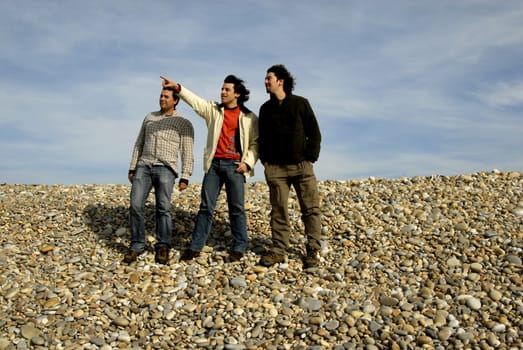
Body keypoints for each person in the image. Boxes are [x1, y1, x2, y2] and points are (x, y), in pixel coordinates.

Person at [160, 74, 259, 262]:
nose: (222, 92)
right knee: (206, 207)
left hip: (235, 166)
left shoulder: (249, 117)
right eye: (222, 88)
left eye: (226, 89)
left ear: (236, 94)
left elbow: (255, 143)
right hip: (214, 165)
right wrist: (178, 87)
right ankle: (195, 246)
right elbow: (196, 102)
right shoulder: (214, 110)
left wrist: (247, 163)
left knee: (237, 208)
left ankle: (239, 246)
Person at [258, 64, 322, 269]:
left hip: (302, 166)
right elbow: (262, 138)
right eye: (266, 78)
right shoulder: (265, 109)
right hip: (276, 169)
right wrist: (265, 161)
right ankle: (278, 250)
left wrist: (311, 158)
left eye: (269, 78)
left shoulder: (301, 104)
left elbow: (314, 133)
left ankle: (312, 249)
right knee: (278, 210)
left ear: (280, 81)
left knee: (310, 209)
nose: (265, 81)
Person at [124, 86, 194, 265]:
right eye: (161, 96)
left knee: (163, 208)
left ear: (176, 100)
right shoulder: (149, 117)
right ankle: (138, 244)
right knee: (135, 205)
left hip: (166, 168)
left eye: (166, 96)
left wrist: (185, 175)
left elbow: (187, 151)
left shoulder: (183, 122)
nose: (162, 99)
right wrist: (133, 167)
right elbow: (139, 143)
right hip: (144, 166)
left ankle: (163, 245)